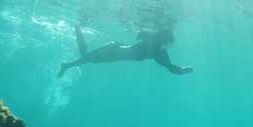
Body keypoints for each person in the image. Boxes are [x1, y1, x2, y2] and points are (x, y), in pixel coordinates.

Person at [57, 26, 193, 78]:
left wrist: (182, 70)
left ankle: (66, 66)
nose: (164, 43)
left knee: (89, 59)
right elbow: (139, 32)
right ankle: (77, 28)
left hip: (116, 56)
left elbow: (170, 67)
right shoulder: (153, 43)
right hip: (113, 48)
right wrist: (181, 70)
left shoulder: (160, 54)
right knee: (86, 56)